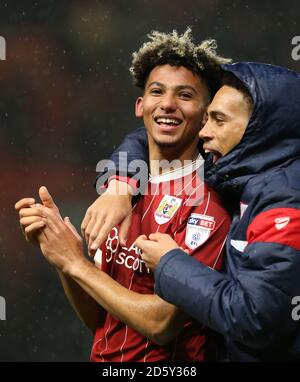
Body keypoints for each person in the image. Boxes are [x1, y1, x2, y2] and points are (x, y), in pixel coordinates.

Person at [15, 29, 231, 361]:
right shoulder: (119, 195)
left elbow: (162, 324)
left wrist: (77, 264)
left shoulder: (208, 206)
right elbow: (103, 322)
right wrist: (63, 257)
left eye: (185, 95)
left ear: (206, 115)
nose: (168, 104)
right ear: (140, 105)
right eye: (157, 91)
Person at [92, 62, 300, 361]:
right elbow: (147, 135)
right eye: (205, 120)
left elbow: (256, 316)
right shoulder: (249, 178)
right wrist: (120, 182)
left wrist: (170, 263)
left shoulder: (286, 201)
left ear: (260, 127)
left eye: (217, 119)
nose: (204, 132)